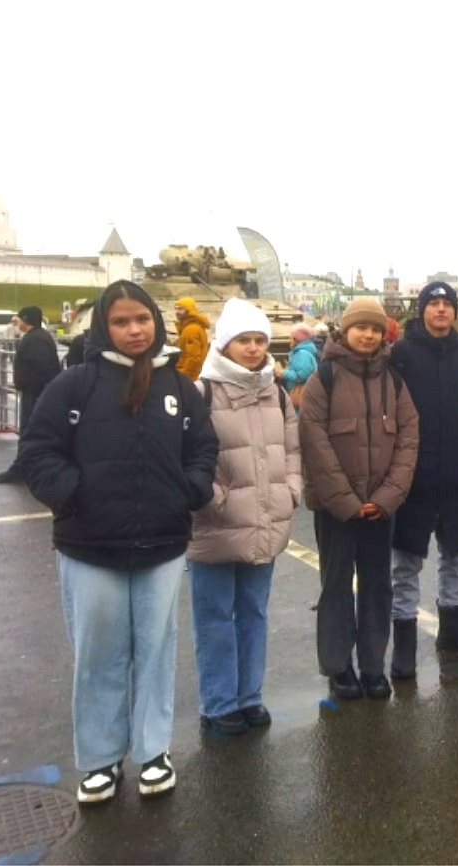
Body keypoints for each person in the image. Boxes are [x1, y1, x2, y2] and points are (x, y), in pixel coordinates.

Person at [21, 280, 219, 804]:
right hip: (90, 545)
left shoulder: (177, 387)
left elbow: (203, 447)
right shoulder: (75, 385)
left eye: (142, 319)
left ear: (156, 322)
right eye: (121, 321)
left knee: (155, 650)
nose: (135, 330)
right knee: (98, 654)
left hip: (162, 542)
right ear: (104, 327)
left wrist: (190, 491)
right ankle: (100, 759)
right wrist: (71, 495)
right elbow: (38, 450)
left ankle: (153, 751)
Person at [188, 298, 302, 735]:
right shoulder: (202, 392)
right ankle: (219, 704)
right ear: (224, 343)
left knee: (254, 612)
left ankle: (250, 696)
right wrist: (211, 499)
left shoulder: (276, 393)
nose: (253, 348)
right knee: (215, 618)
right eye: (243, 340)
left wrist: (291, 491)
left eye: (259, 340)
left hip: (265, 519)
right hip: (216, 523)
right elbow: (188, 456)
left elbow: (292, 449)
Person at [299, 297, 419, 702]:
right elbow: (314, 443)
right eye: (360, 328)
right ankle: (339, 667)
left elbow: (408, 440)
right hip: (336, 509)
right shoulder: (324, 379)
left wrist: (386, 497)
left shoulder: (394, 382)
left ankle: (372, 665)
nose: (368, 335)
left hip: (380, 509)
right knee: (336, 586)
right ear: (345, 330)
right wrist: (346, 501)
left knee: (377, 586)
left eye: (375, 329)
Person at [388, 282, 458, 681]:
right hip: (412, 477)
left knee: (455, 557)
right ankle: (404, 642)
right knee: (406, 564)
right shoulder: (401, 355)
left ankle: (452, 626)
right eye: (433, 303)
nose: (441, 309)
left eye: (447, 303)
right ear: (422, 310)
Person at [0, 306, 62, 483]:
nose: (17, 323)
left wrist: (37, 392)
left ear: (26, 319)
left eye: (19, 319)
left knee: (29, 432)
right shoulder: (38, 337)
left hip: (35, 393)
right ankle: (25, 467)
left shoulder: (36, 340)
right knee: (32, 432)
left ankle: (22, 468)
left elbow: (42, 368)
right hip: (36, 392)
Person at [275, 323, 319, 404]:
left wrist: (283, 373)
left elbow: (301, 376)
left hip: (299, 394)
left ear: (296, 339)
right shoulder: (304, 352)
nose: (289, 340)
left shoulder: (302, 354)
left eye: (290, 338)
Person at [173, 297, 211, 381]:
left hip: (190, 377)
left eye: (180, 309)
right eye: (176, 309)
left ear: (189, 310)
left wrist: (184, 377)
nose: (177, 312)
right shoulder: (189, 328)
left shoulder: (191, 330)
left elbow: (193, 358)